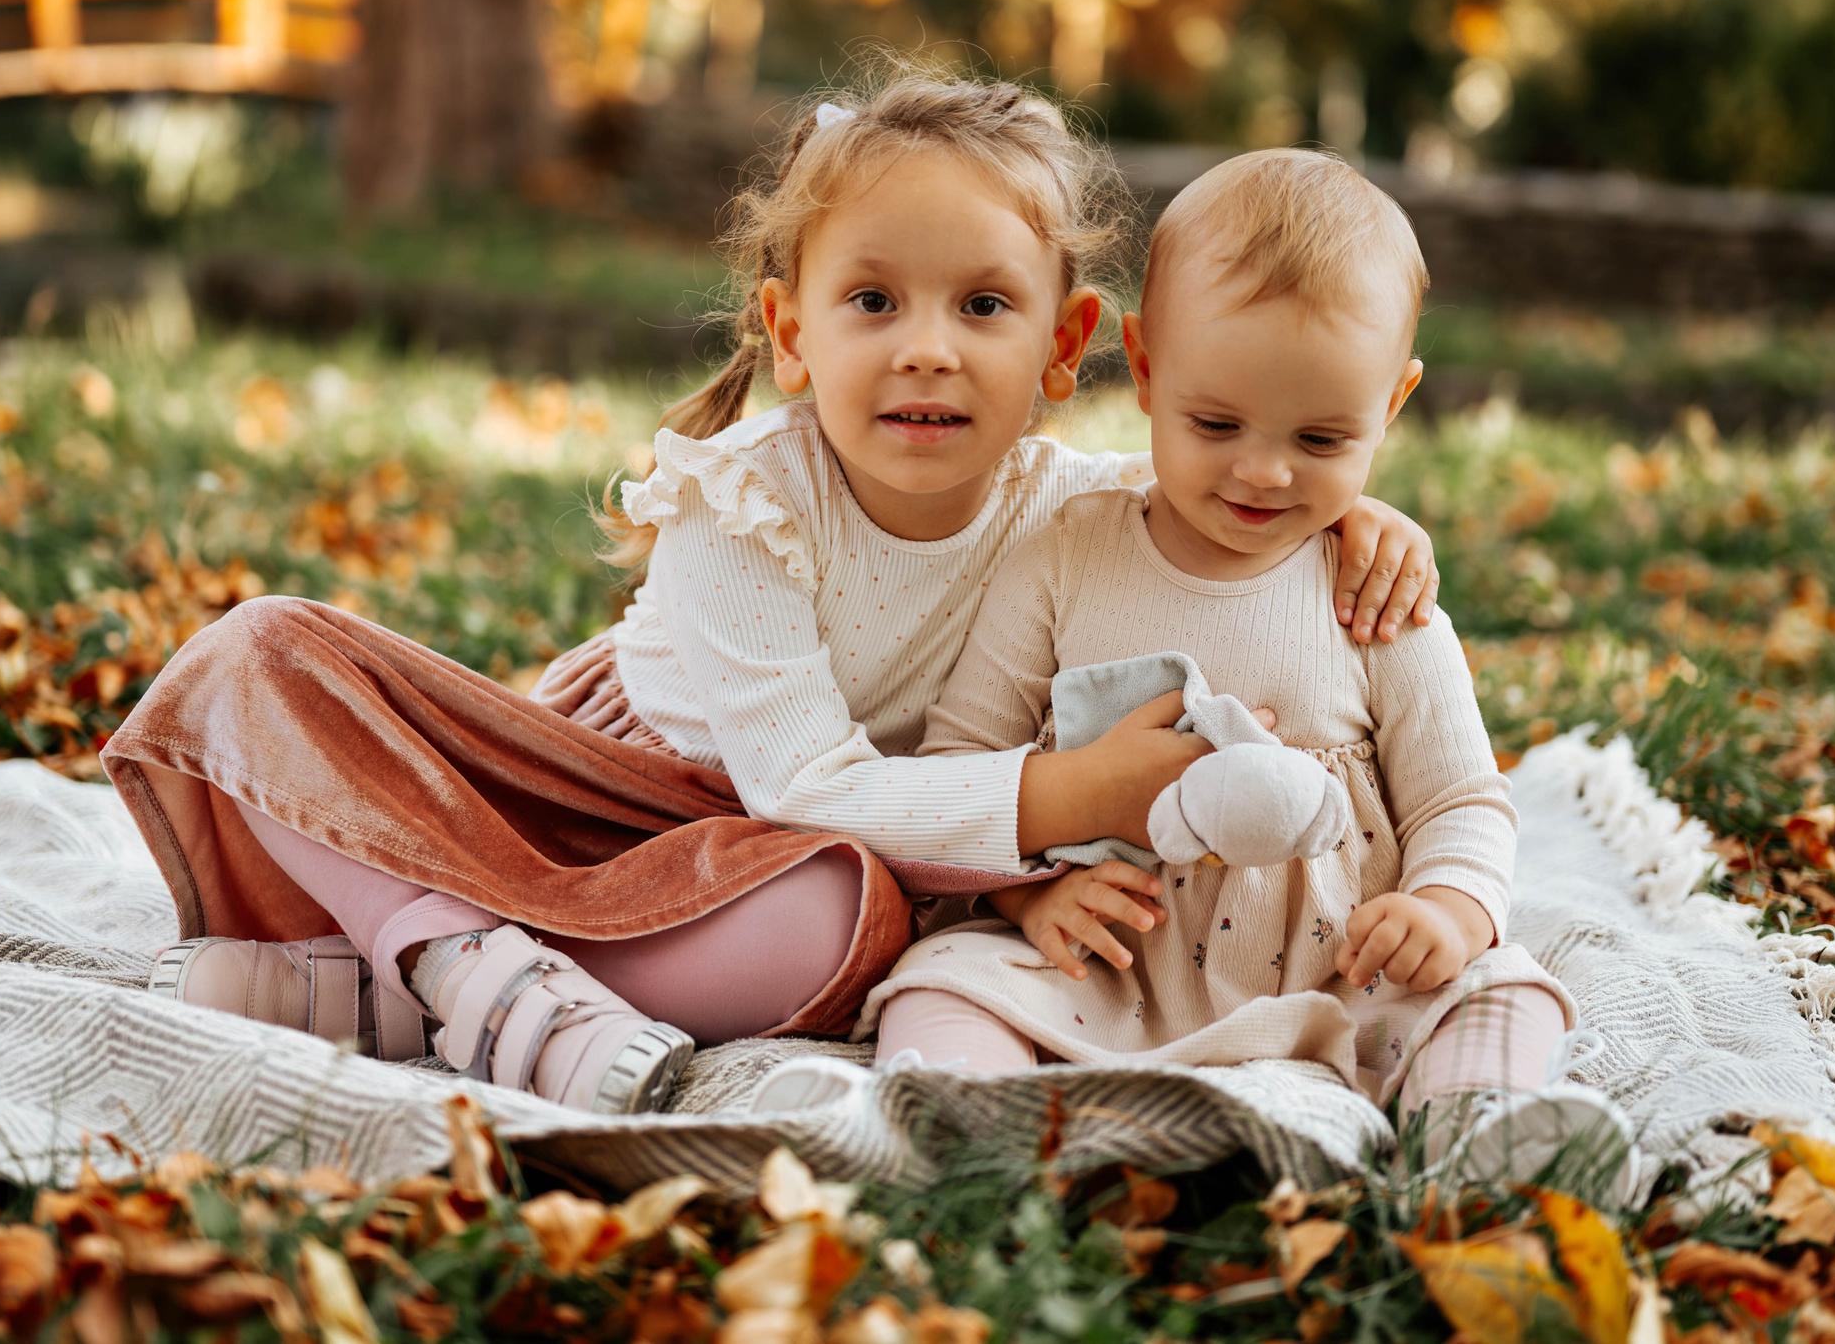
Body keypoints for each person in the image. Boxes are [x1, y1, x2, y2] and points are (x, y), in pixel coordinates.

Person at [106, 71, 1444, 1116]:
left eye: (984, 306)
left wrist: (1350, 512)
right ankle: (462, 960)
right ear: (793, 332)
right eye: (873, 300)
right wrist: (1073, 799)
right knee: (261, 654)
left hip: (777, 867)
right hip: (590, 800)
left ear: (1066, 343)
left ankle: (386, 991)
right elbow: (800, 778)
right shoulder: (742, 503)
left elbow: (1232, 479)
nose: (928, 348)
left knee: (849, 920)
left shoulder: (1073, 504)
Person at [762, 149, 1630, 1191]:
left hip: (1339, 967)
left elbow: (1462, 799)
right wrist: (1029, 903)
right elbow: (964, 763)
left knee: (1505, 985)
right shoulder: (1063, 558)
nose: (1262, 471)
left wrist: (1446, 911)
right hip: (1107, 966)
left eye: (1322, 438)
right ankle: (957, 1124)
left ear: (1392, 404)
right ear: (1142, 367)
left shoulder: (1377, 593)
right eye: (1214, 424)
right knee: (941, 979)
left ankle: (1480, 1126)